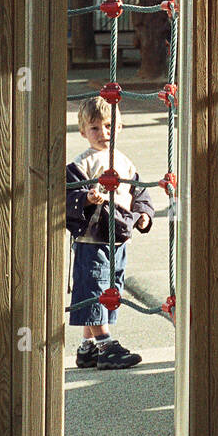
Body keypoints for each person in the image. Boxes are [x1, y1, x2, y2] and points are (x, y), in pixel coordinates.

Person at [66, 95, 155, 370]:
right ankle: (105, 344)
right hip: (92, 238)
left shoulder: (125, 162)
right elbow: (68, 196)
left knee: (110, 286)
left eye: (108, 126)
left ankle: (87, 347)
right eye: (94, 128)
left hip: (119, 236)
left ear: (120, 127)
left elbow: (140, 193)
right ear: (83, 131)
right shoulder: (82, 164)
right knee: (93, 288)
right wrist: (86, 199)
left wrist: (143, 216)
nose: (103, 133)